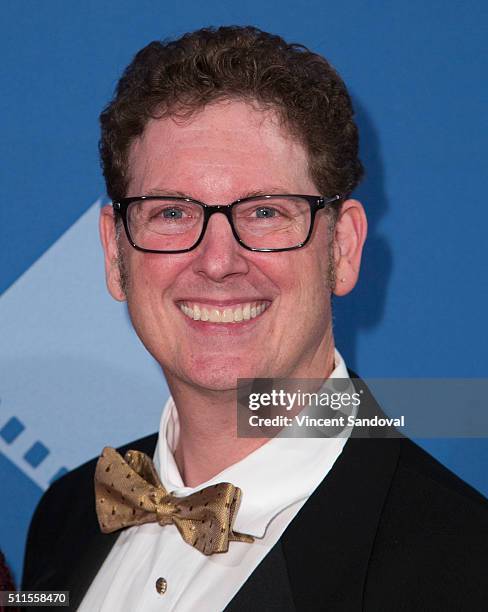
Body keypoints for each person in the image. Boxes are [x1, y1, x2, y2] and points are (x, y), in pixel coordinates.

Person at [22, 26, 487, 611]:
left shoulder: (466, 569)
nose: (217, 262)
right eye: (171, 212)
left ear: (341, 249)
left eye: (265, 211)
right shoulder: (66, 514)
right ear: (116, 255)